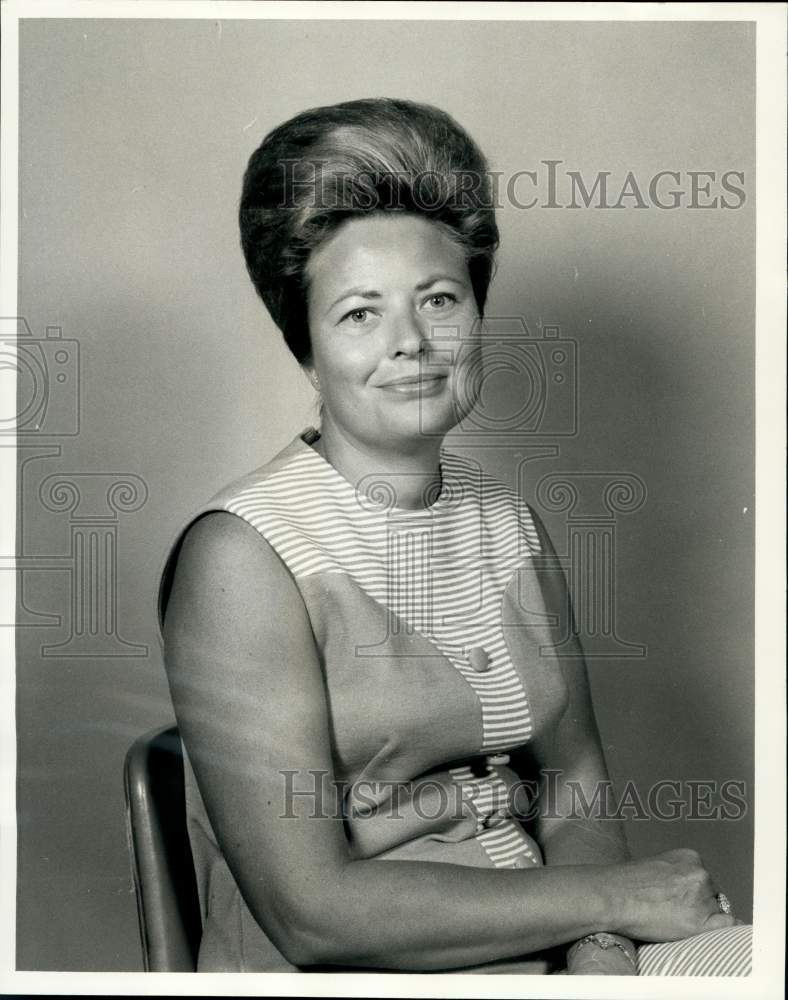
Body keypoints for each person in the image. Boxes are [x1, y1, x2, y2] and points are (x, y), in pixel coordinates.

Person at [156, 97, 751, 975]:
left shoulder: (511, 527)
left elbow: (575, 785)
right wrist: (617, 898)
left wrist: (600, 951)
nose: (411, 343)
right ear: (307, 349)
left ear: (477, 316)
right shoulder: (242, 558)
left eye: (439, 299)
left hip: (546, 946)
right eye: (360, 313)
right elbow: (312, 913)